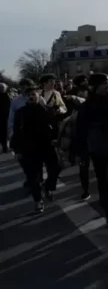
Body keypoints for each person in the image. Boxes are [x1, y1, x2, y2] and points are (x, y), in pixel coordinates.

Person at [76, 73, 108, 226]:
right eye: (104, 83)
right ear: (94, 86)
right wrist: (82, 152)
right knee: (103, 179)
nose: (107, 86)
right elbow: (81, 130)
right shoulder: (87, 106)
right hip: (97, 147)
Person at [11, 85, 59, 213]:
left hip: (47, 145)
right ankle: (38, 201)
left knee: (56, 167)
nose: (31, 96)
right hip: (29, 148)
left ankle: (48, 186)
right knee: (34, 177)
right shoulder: (21, 113)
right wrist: (17, 150)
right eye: (29, 95)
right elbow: (16, 132)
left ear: (39, 95)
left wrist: (55, 138)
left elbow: (55, 126)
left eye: (33, 94)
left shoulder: (47, 110)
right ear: (26, 98)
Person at [0, 83, 10, 153]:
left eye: (2, 88)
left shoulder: (7, 96)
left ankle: (4, 146)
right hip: (2, 116)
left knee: (4, 132)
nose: (2, 89)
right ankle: (4, 145)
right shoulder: (7, 96)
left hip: (5, 117)